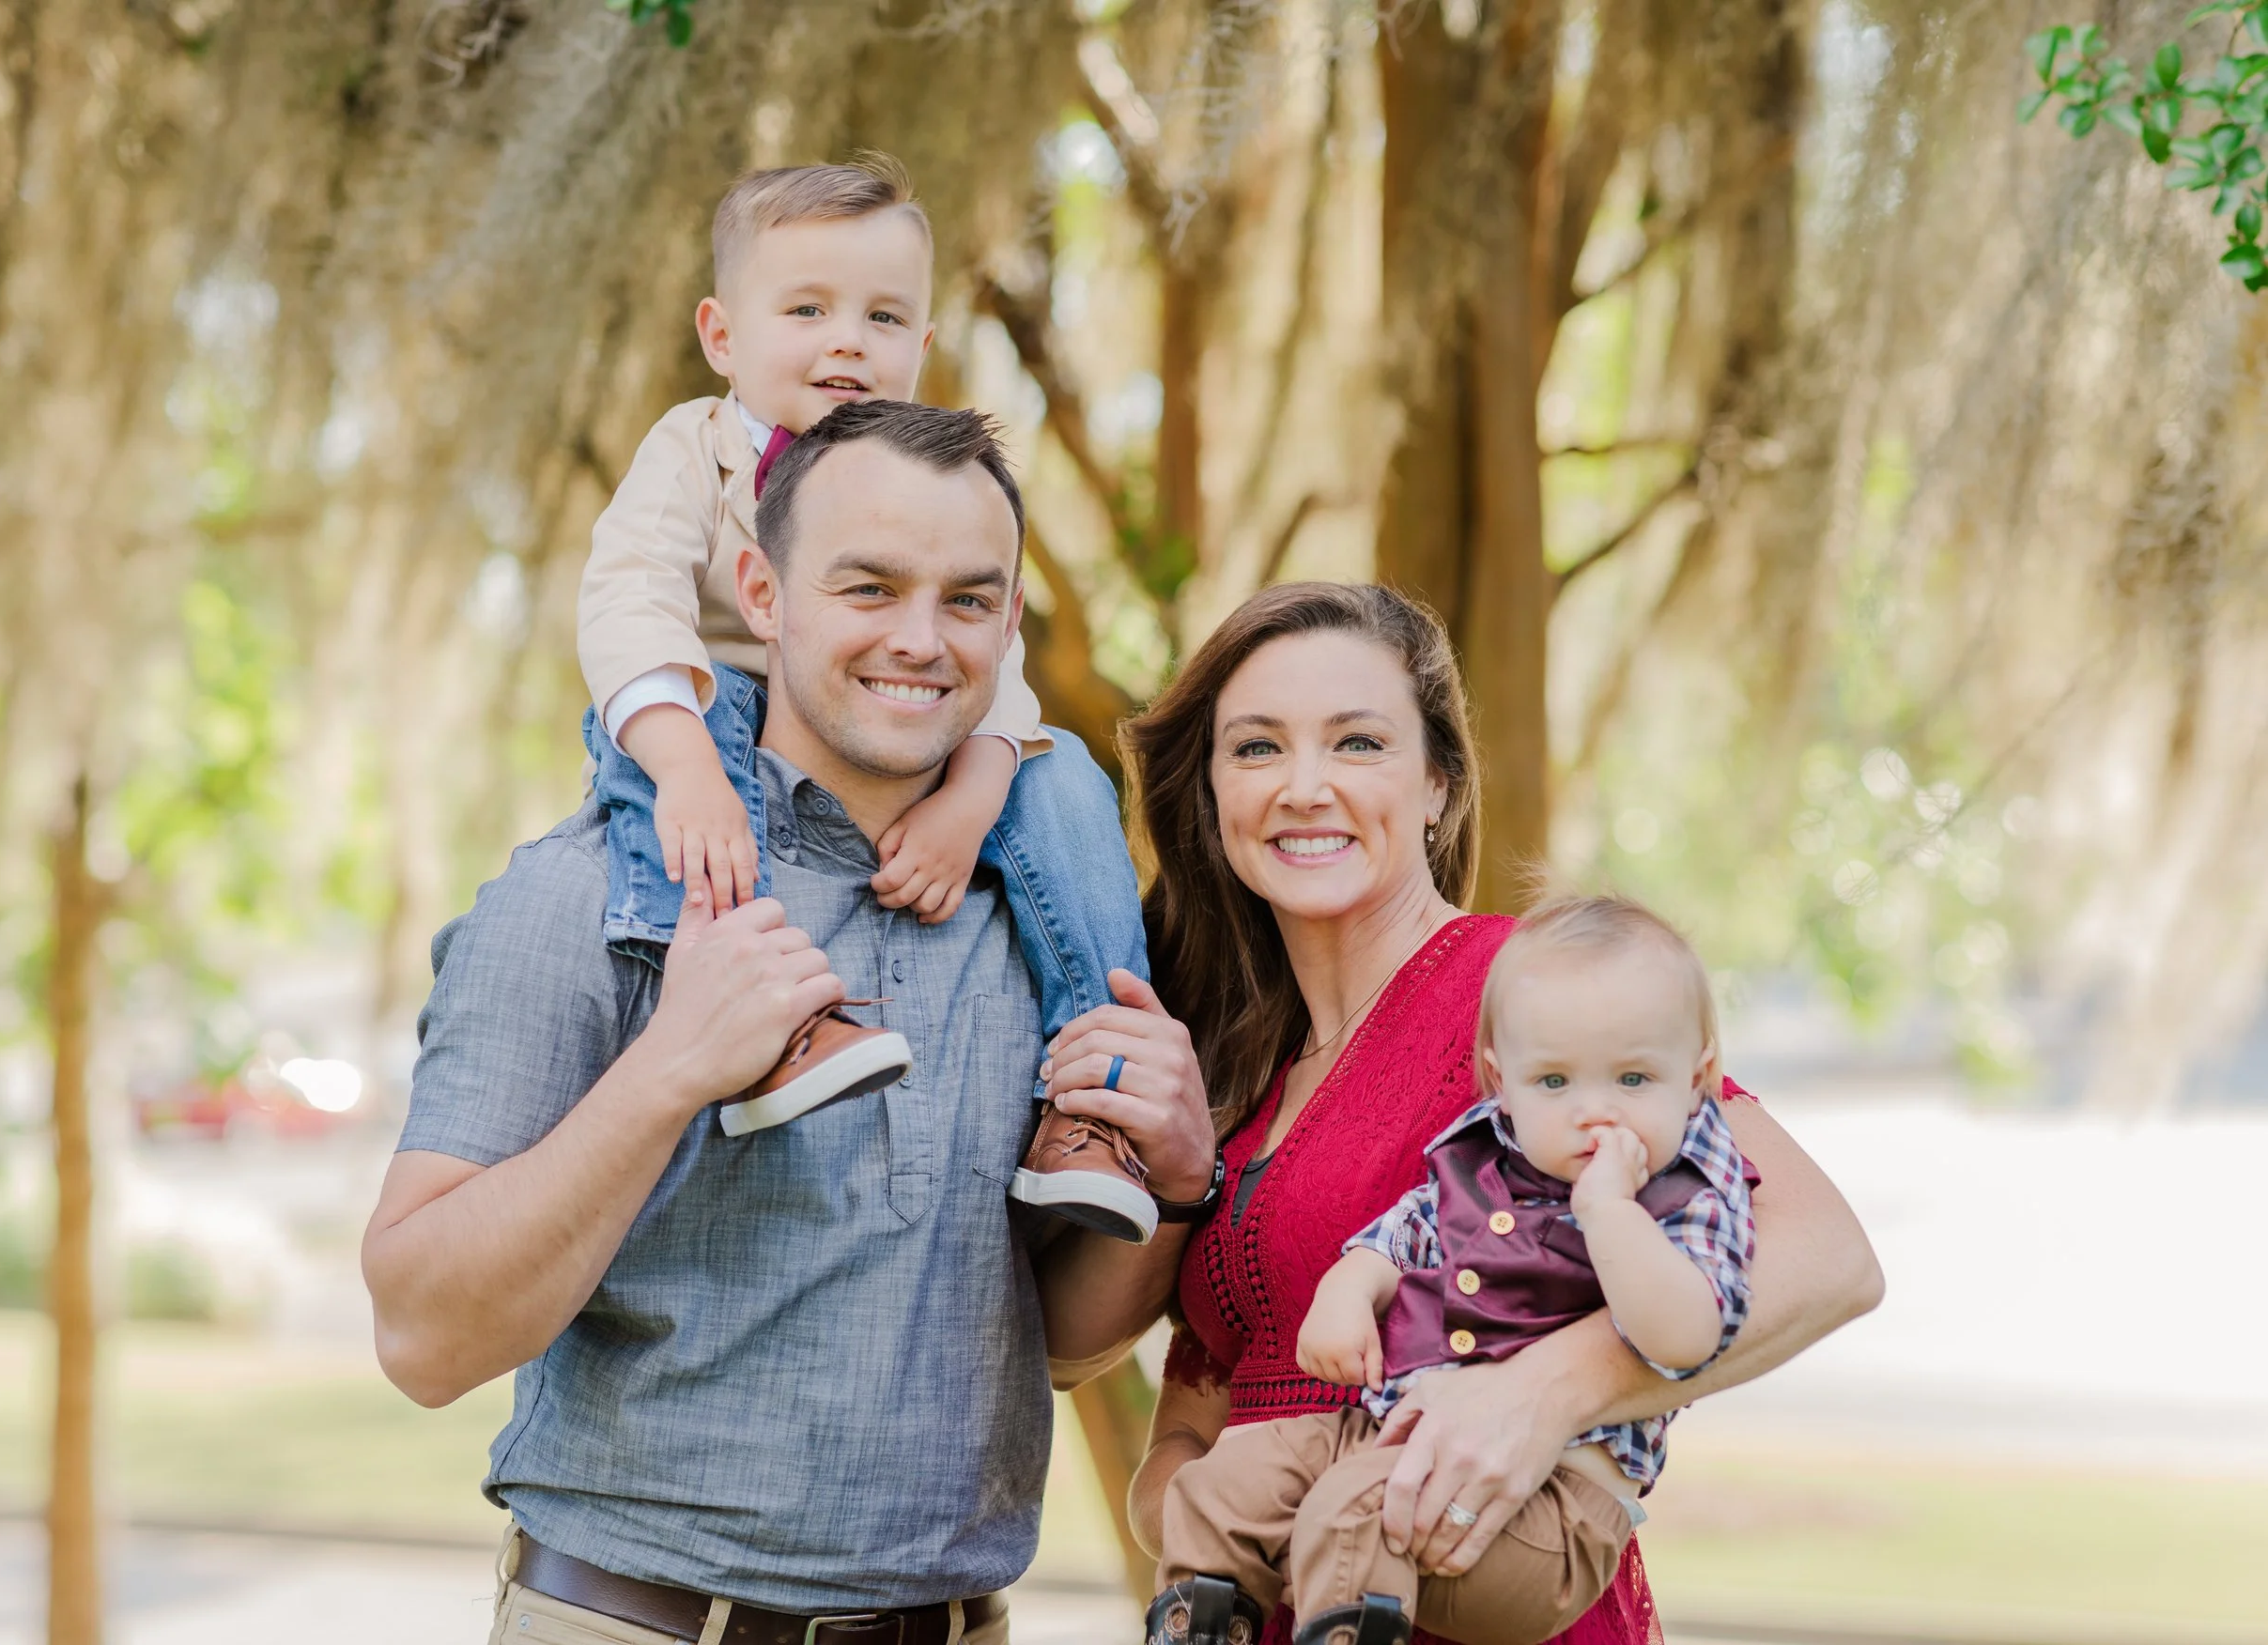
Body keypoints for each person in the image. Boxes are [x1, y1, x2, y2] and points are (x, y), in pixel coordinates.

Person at [362, 401, 1223, 1645]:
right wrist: (670, 1071)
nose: (921, 641)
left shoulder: (1049, 922)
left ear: (1010, 621)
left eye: (969, 602)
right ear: (761, 592)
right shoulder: (586, 894)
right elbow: (424, 1338)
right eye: (869, 587)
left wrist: (1179, 1186)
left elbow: (1056, 1347)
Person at [1105, 582, 1886, 1645]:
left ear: (1436, 785)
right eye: (1255, 749)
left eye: (1358, 743)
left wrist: (1547, 1392)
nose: (1303, 786)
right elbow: (1191, 1419)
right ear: (1208, 794)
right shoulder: (1234, 1072)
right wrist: (1190, 1509)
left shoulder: (1519, 1002)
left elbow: (1828, 1254)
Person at [576, 155, 1156, 1237]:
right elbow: (626, 599)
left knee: (1068, 773)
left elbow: (999, 678)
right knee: (670, 718)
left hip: (890, 735)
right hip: (709, 721)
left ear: (922, 349)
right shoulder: (690, 452)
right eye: (806, 308)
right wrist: (686, 767)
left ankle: (1097, 1094)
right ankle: (763, 1018)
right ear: (722, 336)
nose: (848, 338)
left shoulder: (924, 482)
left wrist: (969, 804)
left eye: (884, 316)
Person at [1153, 894, 1759, 1645]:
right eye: (1555, 1083)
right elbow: (1401, 1233)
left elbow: (1688, 1334)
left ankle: (1348, 1633)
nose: (1593, 1112)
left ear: (1698, 1077)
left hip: (1544, 1509)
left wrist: (1609, 1213)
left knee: (1350, 1510)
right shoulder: (1486, 1154)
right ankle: (1201, 1625)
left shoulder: (1690, 1184)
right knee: (1223, 1485)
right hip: (1383, 1438)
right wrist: (1349, 1287)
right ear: (1502, 1082)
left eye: (1633, 1080)